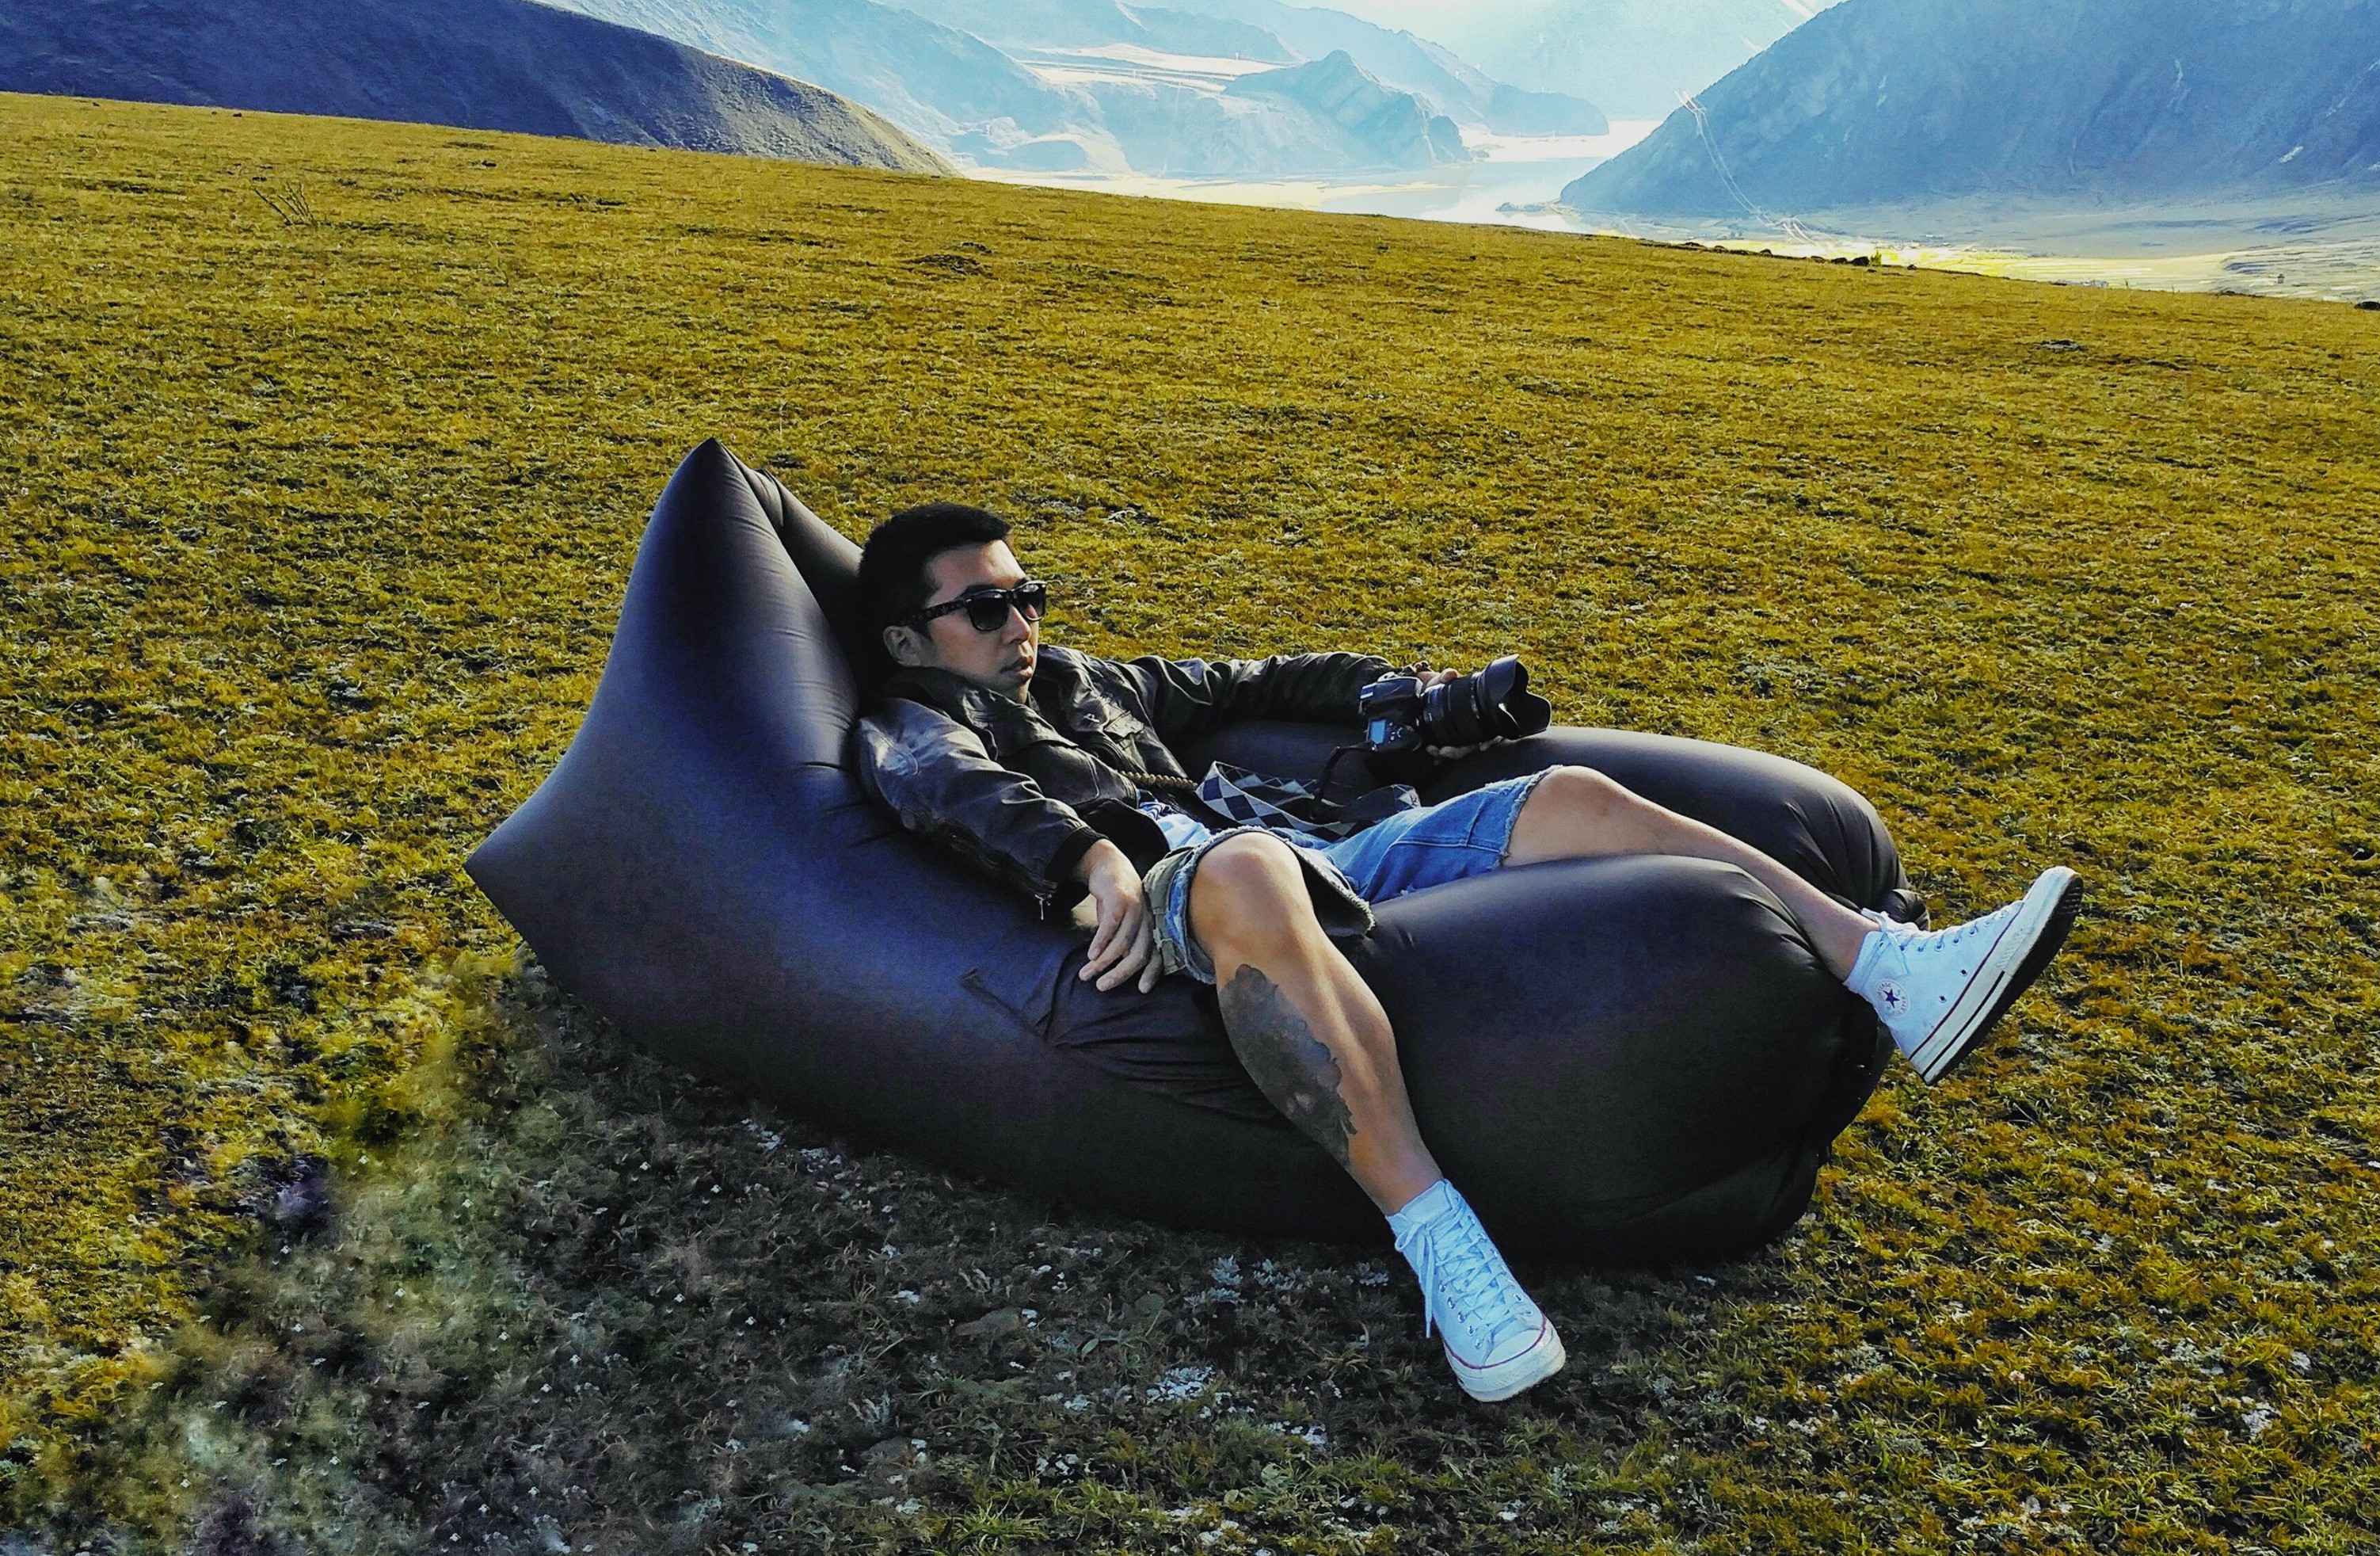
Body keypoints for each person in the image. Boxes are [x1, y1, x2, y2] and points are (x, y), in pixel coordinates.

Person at [848, 502, 2081, 1403]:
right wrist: (1088, 859)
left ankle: (1888, 965)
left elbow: (1253, 679)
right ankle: (1444, 1249)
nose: (1021, 623)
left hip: (1322, 853)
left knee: (1575, 796)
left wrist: (1406, 693)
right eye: (984, 607)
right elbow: (949, 792)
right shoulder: (913, 717)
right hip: (1192, 897)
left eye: (1029, 594)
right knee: (1246, 867)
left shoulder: (1084, 682)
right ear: (908, 638)